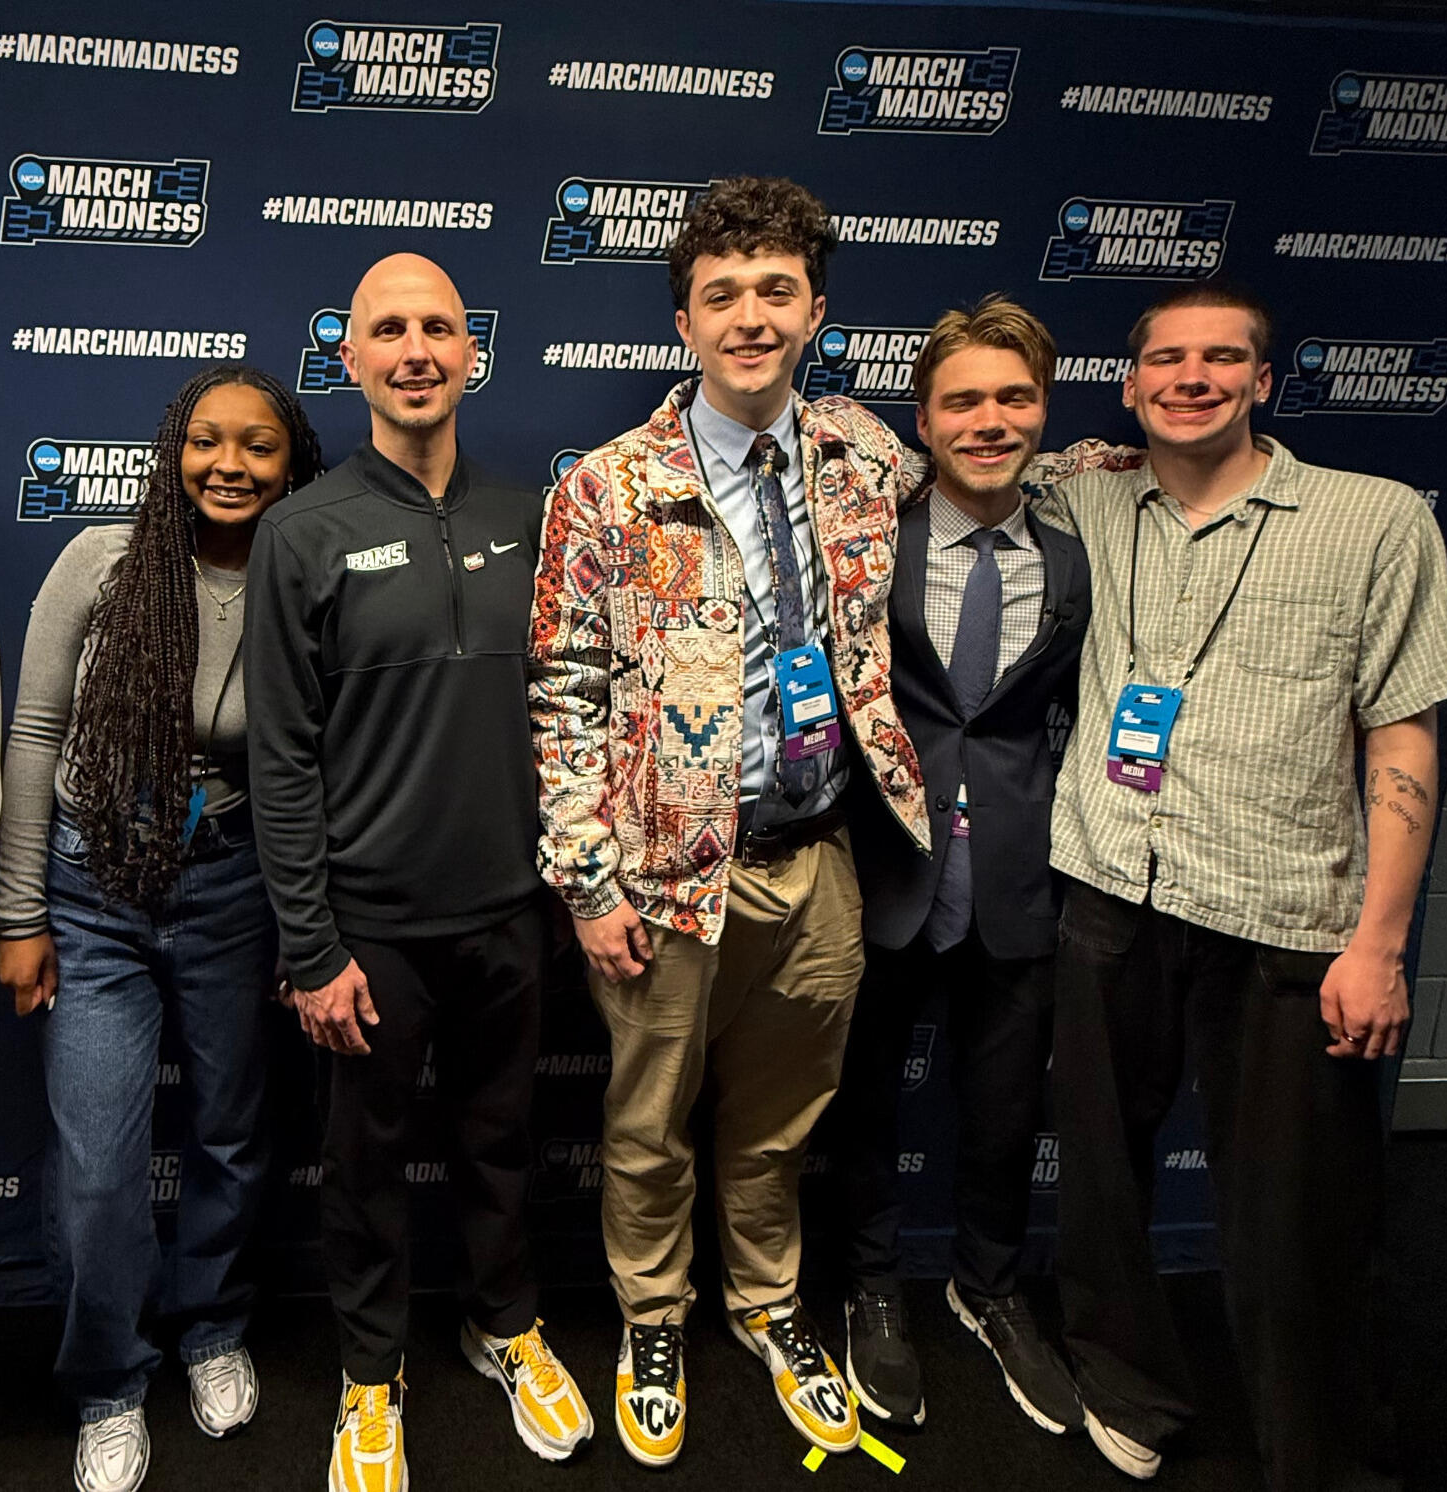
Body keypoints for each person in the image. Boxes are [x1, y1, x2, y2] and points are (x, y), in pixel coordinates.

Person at [1041, 283, 1447, 1489]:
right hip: (1111, 890)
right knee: (1104, 1181)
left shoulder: (1374, 521)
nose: (1193, 377)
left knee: (1302, 1222)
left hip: (1287, 912)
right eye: (1166, 359)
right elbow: (962, 466)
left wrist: (1380, 943)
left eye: (1221, 359)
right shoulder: (1084, 499)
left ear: (1264, 381)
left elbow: (1404, 736)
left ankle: (1323, 1454)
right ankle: (1126, 1383)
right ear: (1128, 387)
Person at [528, 175, 929, 1467]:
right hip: (661, 879)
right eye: (719, 296)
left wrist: (1132, 458)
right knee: (646, 1124)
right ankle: (652, 1316)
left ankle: (764, 1303)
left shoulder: (863, 458)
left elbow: (996, 477)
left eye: (773, 292)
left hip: (817, 862)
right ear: (683, 323)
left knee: (777, 1120)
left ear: (814, 309)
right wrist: (586, 881)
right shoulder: (604, 488)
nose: (748, 317)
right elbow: (562, 690)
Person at [244, 253, 591, 1492]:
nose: (416, 350)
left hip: (511, 916)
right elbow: (280, 762)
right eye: (388, 329)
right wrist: (311, 945)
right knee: (366, 1168)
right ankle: (370, 1375)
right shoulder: (301, 531)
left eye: (438, 326)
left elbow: (571, 716)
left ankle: (504, 1328)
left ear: (472, 350)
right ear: (350, 356)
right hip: (367, 932)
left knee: (508, 1144)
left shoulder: (533, 518)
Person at [0, 364, 324, 1492]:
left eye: (257, 446)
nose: (228, 464)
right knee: (98, 1162)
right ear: (172, 451)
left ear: (292, 464)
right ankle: (110, 1381)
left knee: (233, 1133)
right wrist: (19, 909)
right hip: (94, 891)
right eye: (206, 441)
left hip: (234, 886)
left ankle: (214, 1328)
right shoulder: (102, 557)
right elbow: (35, 732)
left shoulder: (299, 570)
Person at [837, 296, 1087, 1437]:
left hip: (1025, 878)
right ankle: (872, 1282)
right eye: (963, 401)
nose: (990, 421)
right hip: (887, 868)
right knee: (865, 1099)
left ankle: (988, 1286)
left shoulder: (1080, 553)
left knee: (1001, 1107)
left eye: (1013, 397)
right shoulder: (870, 542)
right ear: (923, 420)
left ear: (1042, 407)